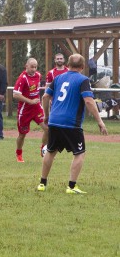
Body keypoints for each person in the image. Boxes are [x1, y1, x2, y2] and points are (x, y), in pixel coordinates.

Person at [38, 54, 108, 194]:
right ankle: (71, 186)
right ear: (82, 67)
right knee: (79, 153)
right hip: (71, 123)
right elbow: (88, 101)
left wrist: (47, 115)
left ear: (68, 65)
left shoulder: (58, 78)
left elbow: (45, 96)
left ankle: (42, 183)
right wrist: (100, 121)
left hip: (54, 121)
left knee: (51, 151)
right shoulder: (83, 80)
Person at [13, 58, 48, 162]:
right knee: (22, 134)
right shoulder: (22, 78)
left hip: (36, 108)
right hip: (25, 110)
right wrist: (30, 101)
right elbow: (15, 95)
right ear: (26, 66)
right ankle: (19, 153)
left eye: (35, 67)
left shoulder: (38, 75)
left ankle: (44, 150)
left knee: (47, 129)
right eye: (32, 67)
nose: (34, 69)